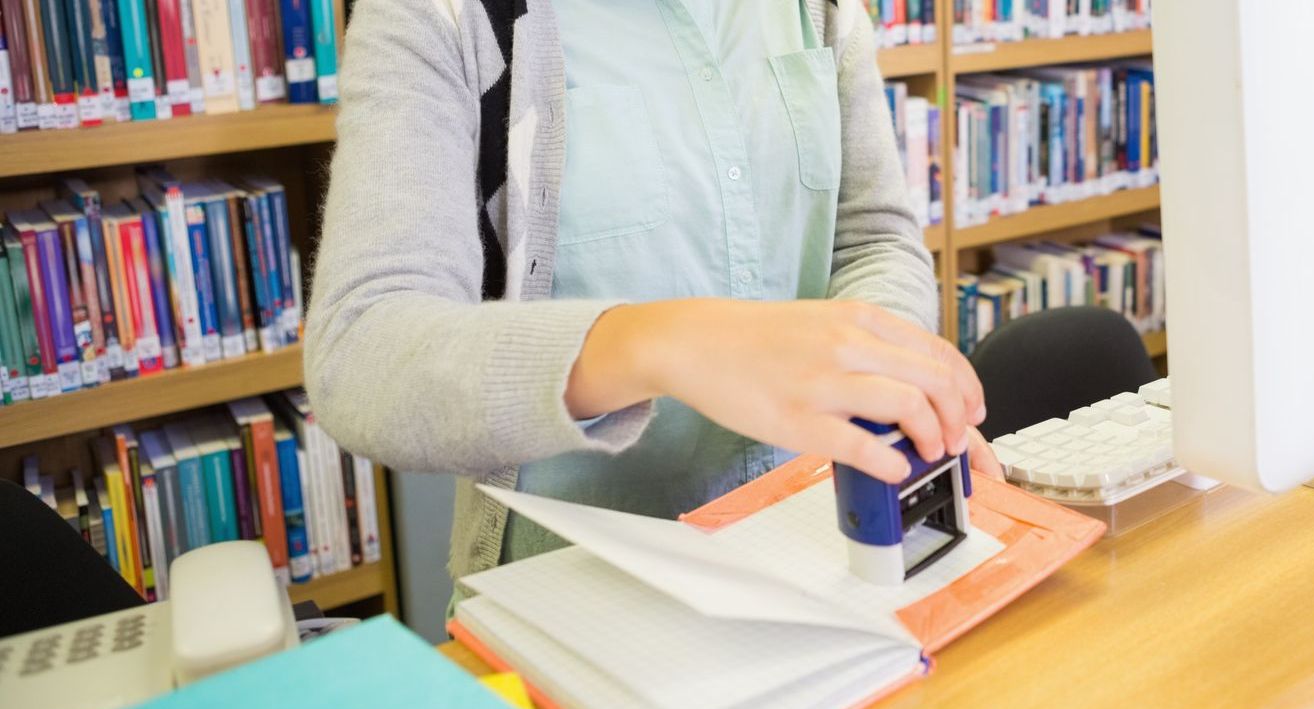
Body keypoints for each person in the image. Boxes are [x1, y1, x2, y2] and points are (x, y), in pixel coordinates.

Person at [304, 0, 1002, 596]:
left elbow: (873, 238)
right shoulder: (443, 14)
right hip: (576, 601)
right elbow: (362, 346)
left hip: (824, 557)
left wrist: (886, 389)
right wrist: (663, 344)